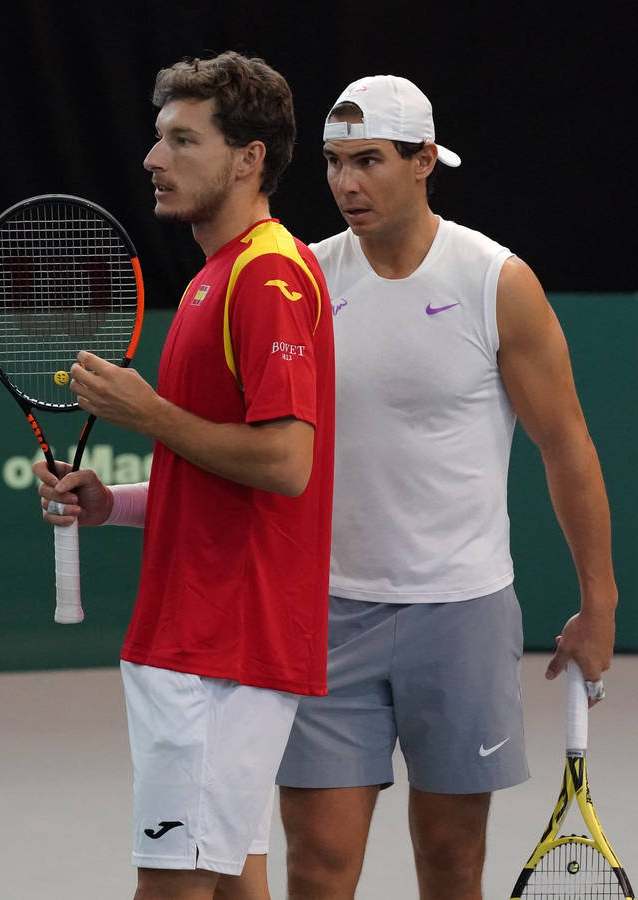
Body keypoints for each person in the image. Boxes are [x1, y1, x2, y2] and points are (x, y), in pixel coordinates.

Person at [274, 74, 617, 900]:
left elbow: (565, 445)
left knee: (451, 862)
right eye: (331, 162)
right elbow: (258, 451)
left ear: (425, 160)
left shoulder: (495, 281)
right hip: (325, 612)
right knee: (316, 866)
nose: (346, 184)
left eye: (369, 161)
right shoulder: (302, 281)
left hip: (460, 614)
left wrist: (597, 604)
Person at [33, 51, 334, 900]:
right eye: (157, 138)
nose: (152, 159)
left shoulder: (265, 276)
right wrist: (112, 503)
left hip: (218, 645)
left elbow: (285, 463)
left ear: (248, 158)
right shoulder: (220, 274)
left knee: (171, 889)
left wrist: (148, 414)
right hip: (206, 637)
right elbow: (217, 477)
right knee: (234, 882)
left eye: (181, 139)